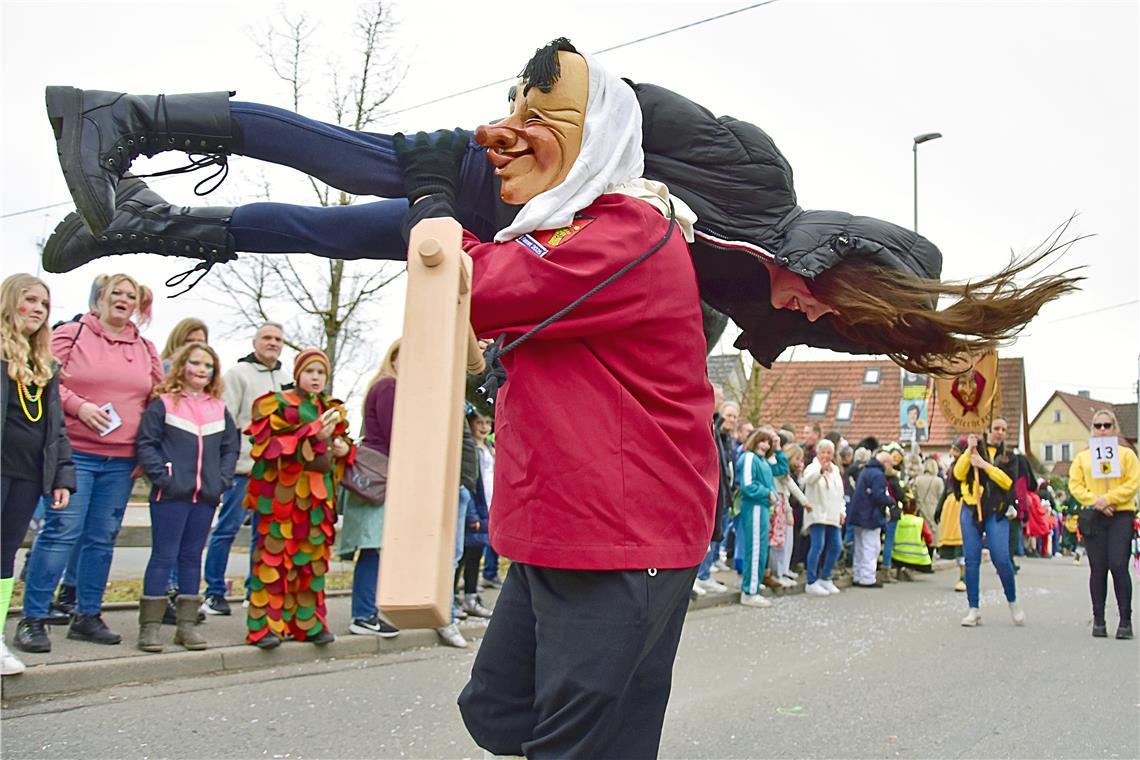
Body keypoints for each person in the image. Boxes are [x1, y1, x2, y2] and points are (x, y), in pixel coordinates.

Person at [16, 273, 163, 653]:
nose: (124, 299)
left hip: (120, 460)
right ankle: (33, 618)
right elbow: (44, 378)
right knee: (62, 532)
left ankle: (87, 614)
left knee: (102, 539)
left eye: (132, 295)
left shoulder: (146, 349)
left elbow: (155, 403)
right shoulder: (73, 334)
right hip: (74, 454)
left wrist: (146, 453)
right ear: (99, 298)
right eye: (117, 292)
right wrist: (79, 406)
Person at [244, 349, 353, 648]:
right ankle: (264, 626)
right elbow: (266, 445)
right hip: (283, 496)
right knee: (274, 560)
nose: (315, 377)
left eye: (321, 373)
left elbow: (341, 451)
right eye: (310, 371)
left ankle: (309, 623)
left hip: (318, 499)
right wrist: (313, 434)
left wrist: (344, 450)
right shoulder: (275, 404)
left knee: (312, 563)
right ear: (297, 374)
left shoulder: (331, 409)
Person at [134, 342, 238, 651]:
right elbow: (147, 444)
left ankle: (186, 626)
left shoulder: (219, 409)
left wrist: (220, 480)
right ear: (182, 366)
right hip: (170, 495)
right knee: (163, 557)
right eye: (196, 363)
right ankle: (149, 628)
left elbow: (230, 448)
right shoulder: (163, 404)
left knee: (192, 559)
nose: (202, 370)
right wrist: (162, 477)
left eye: (208, 366)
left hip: (204, 497)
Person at [0, 275, 75, 676]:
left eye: (45, 304)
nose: (39, 309)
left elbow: (56, 427)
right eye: (30, 300)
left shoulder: (44, 364)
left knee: (5, 553)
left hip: (27, 473)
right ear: (10, 302)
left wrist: (62, 475)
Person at [200, 321, 289, 616]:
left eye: (277, 339)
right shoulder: (238, 375)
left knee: (265, 535)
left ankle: (257, 590)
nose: (272, 343)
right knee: (227, 529)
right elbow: (226, 419)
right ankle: (213, 592)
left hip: (274, 470)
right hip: (243, 468)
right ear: (255, 342)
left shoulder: (287, 379)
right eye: (267, 338)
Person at [340, 339, 400, 638]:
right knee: (374, 547)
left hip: (375, 470)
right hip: (381, 472)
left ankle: (368, 612)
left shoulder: (381, 384)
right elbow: (394, 434)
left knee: (375, 547)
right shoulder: (390, 386)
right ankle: (364, 614)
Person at [1067, 410, 1139, 639]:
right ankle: (1099, 619)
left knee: (1118, 564)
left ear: (1115, 429)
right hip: (1094, 514)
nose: (1102, 430)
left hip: (1121, 513)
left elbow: (1132, 483)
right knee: (1098, 568)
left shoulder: (1127, 455)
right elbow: (1075, 485)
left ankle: (1125, 620)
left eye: (1107, 425)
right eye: (1098, 426)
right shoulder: (1083, 458)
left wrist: (1110, 499)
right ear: (1092, 429)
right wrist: (1096, 501)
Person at [954, 431, 1023, 627]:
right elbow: (958, 474)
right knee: (972, 558)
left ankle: (1012, 600)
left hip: (995, 509)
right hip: (970, 508)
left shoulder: (1009, 456)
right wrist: (969, 451)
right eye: (996, 428)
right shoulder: (973, 448)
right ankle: (973, 608)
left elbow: (1008, 482)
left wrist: (985, 466)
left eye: (1003, 428)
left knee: (1001, 557)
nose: (1000, 432)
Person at [738, 428, 777, 608]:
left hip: (762, 508)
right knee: (754, 549)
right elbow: (747, 485)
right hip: (753, 507)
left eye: (768, 442)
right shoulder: (749, 458)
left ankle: (754, 583)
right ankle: (749, 591)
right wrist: (767, 493)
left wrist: (772, 495)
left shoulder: (764, 462)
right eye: (762, 441)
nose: (765, 445)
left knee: (761, 549)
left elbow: (771, 486)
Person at [801, 439, 846, 596]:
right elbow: (808, 480)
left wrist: (842, 511)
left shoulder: (835, 471)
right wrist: (820, 470)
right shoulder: (812, 467)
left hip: (833, 514)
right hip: (817, 513)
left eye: (829, 453)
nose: (826, 456)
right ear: (818, 453)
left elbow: (840, 494)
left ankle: (825, 576)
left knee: (836, 546)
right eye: (823, 452)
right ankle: (811, 580)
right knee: (817, 545)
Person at [848, 451, 894, 589]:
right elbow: (878, 496)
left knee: (860, 547)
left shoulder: (865, 471)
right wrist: (890, 501)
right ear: (885, 462)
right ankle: (868, 577)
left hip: (857, 514)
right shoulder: (878, 475)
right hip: (870, 516)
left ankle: (858, 575)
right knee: (871, 546)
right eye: (890, 464)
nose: (891, 467)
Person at [470, 409, 501, 590]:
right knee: (474, 544)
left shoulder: (490, 448)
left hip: (492, 499)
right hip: (479, 499)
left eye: (488, 423)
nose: (484, 427)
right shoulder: (471, 447)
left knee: (491, 540)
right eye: (480, 423)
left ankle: (489, 573)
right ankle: (470, 585)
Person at [890, 497, 935, 579]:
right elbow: (929, 538)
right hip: (917, 557)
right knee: (924, 564)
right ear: (915, 509)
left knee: (899, 560)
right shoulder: (919, 521)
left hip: (897, 555)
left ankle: (900, 569)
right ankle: (908, 569)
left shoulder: (898, 521)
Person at [912, 458, 943, 547]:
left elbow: (914, 495)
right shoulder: (938, 481)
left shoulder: (918, 480)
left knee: (922, 534)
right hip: (934, 510)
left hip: (921, 510)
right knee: (933, 536)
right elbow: (941, 497)